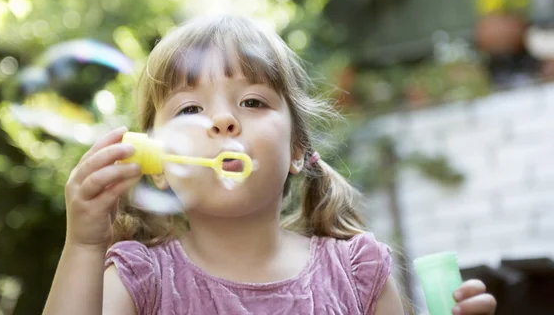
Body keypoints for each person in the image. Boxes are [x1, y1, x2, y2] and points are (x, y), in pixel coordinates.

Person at [43, 16, 497, 315]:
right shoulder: (142, 279)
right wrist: (84, 244)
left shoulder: (356, 272)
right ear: (157, 164)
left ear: (297, 149)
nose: (222, 120)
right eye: (189, 110)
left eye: (252, 101)